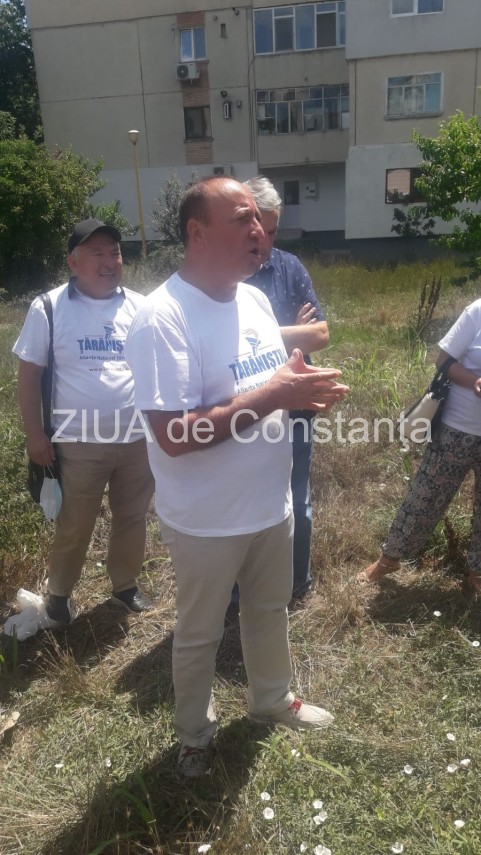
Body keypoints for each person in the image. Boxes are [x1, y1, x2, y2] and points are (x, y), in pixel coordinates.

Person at [125, 177, 349, 777]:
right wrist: (277, 394)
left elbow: (263, 385)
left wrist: (298, 388)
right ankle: (195, 736)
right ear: (197, 233)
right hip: (206, 519)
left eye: (259, 219)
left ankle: (271, 700)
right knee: (199, 632)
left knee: (268, 609)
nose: (259, 230)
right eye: (242, 219)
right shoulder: (162, 317)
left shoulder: (252, 301)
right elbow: (175, 435)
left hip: (270, 502)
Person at [13, 218, 155, 625]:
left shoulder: (141, 307)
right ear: (73, 262)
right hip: (77, 441)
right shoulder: (49, 307)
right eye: (98, 253)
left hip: (137, 439)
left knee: (132, 517)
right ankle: (59, 596)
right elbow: (29, 375)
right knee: (75, 524)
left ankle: (125, 585)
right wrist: (35, 435)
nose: (110, 261)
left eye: (115, 252)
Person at [243, 176, 329, 603]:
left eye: (273, 231)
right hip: (244, 410)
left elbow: (321, 335)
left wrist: (257, 337)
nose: (265, 240)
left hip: (295, 407)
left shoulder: (289, 267)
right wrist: (290, 331)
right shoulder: (225, 276)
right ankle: (245, 591)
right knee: (245, 499)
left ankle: (298, 583)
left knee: (298, 494)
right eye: (259, 228)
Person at [358, 298, 481, 594]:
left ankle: (477, 572)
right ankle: (389, 559)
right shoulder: (477, 312)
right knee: (425, 496)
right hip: (458, 429)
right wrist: (476, 381)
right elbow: (444, 361)